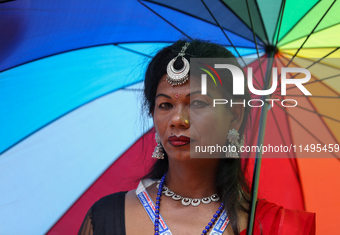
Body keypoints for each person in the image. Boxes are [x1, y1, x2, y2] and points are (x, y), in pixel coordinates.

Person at [78, 39, 315, 235]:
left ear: (234, 116)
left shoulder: (277, 227)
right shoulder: (106, 218)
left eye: (198, 103)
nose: (177, 119)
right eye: (165, 104)